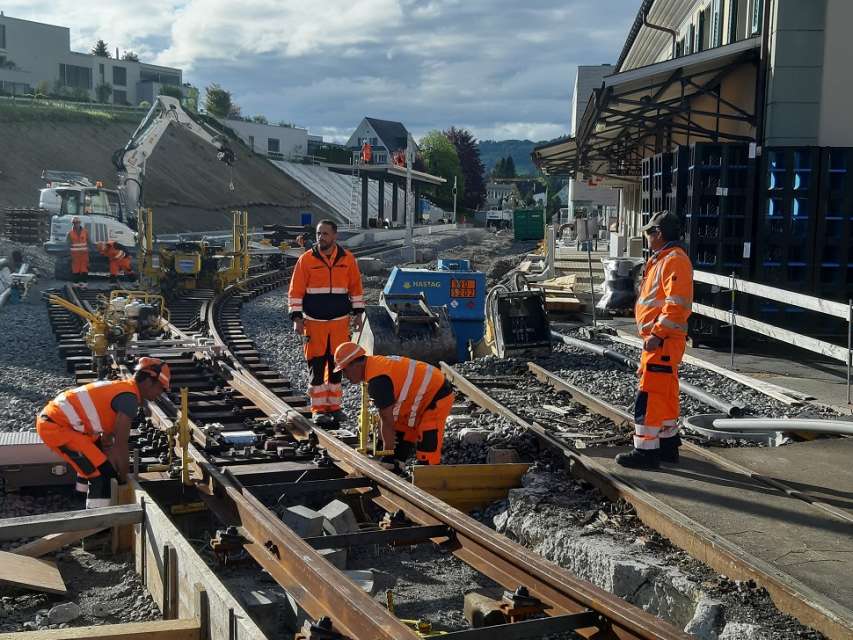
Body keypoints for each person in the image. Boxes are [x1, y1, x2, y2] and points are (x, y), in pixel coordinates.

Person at [36, 358, 170, 507]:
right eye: (161, 388)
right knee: (102, 474)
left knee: (96, 457)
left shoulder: (124, 388)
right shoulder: (129, 400)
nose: (161, 394)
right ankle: (98, 525)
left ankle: (79, 499)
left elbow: (107, 439)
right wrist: (124, 479)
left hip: (62, 423)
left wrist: (109, 455)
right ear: (148, 382)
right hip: (57, 428)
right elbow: (120, 446)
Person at [616, 211, 693, 470]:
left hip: (662, 341)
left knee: (649, 395)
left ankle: (646, 450)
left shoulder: (673, 261)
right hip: (663, 341)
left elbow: (676, 305)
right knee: (665, 393)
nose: (647, 237)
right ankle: (668, 445)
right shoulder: (665, 260)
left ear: (658, 234)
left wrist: (657, 333)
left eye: (649, 233)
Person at [288, 220, 365, 426]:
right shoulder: (306, 260)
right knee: (316, 363)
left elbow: (356, 288)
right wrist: (297, 318)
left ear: (334, 236)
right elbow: (295, 292)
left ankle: (335, 407)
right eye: (318, 233)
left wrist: (358, 315)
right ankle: (318, 409)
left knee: (337, 364)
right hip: (314, 322)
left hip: (340, 322)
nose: (320, 237)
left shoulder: (348, 260)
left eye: (325, 234)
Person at [333, 342, 453, 465]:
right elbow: (387, 416)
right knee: (401, 428)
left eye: (345, 370)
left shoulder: (377, 380)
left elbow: (386, 419)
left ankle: (429, 475)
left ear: (356, 364)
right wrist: (384, 448)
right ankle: (398, 463)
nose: (344, 376)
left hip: (437, 392)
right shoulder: (374, 367)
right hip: (419, 395)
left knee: (428, 441)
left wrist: (387, 453)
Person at [66, 216, 90, 284]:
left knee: (84, 270)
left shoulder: (85, 232)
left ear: (80, 223)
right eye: (74, 223)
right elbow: (67, 245)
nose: (76, 224)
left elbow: (89, 242)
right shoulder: (69, 233)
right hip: (75, 256)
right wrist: (68, 255)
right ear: (72, 224)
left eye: (77, 223)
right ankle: (76, 285)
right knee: (75, 270)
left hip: (84, 255)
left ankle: (84, 285)